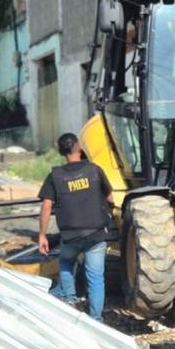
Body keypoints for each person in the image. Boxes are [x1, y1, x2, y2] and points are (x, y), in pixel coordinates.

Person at [37, 133, 116, 320]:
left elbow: (46, 206)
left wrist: (42, 235)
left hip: (71, 235)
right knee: (95, 277)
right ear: (79, 148)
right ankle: (96, 319)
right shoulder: (95, 170)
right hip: (96, 233)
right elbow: (111, 198)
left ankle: (70, 299)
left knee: (66, 261)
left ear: (61, 152)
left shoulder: (55, 176)